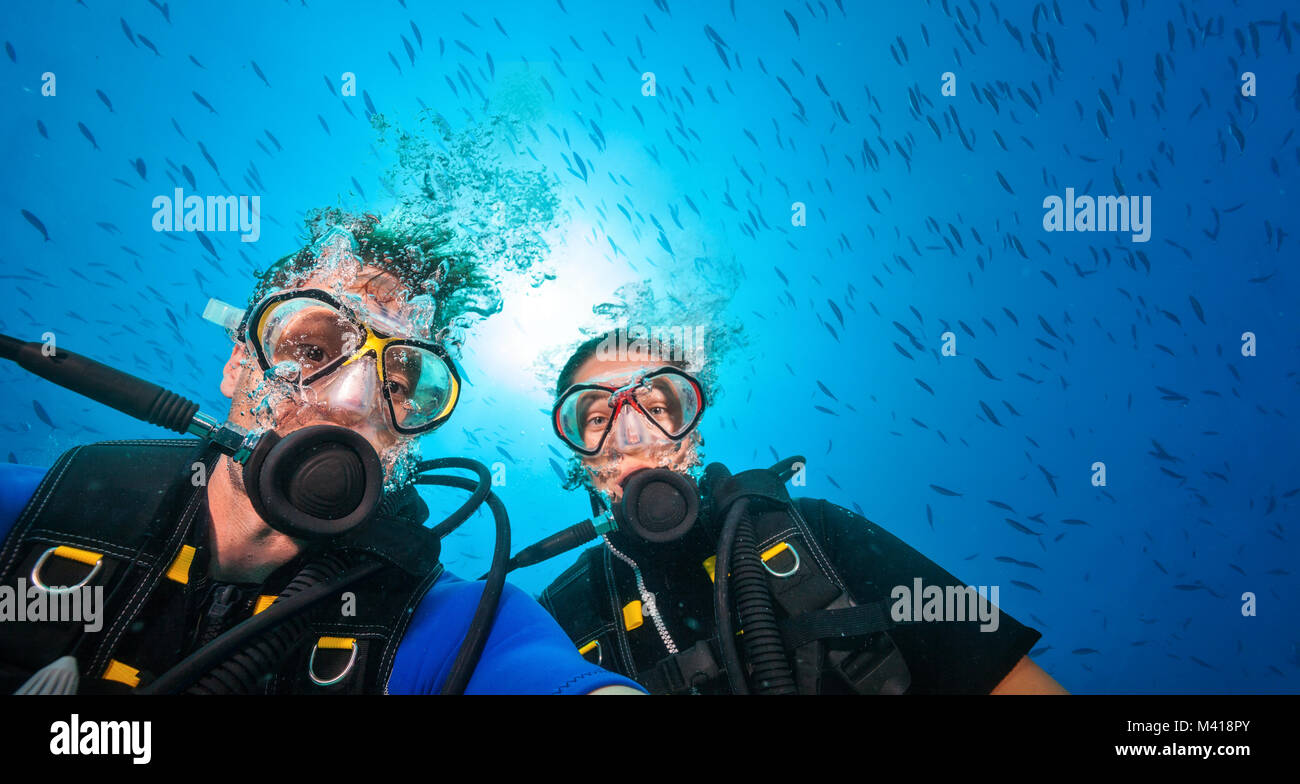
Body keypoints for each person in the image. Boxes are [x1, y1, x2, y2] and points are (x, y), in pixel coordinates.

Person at [0, 212, 643, 695]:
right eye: (310, 350)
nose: (351, 402)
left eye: (396, 384)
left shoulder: (454, 620)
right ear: (236, 362)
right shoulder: (30, 517)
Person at [536, 329, 1068, 694]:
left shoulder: (813, 532)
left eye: (655, 408)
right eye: (598, 416)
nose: (630, 437)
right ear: (576, 452)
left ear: (691, 431)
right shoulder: (557, 617)